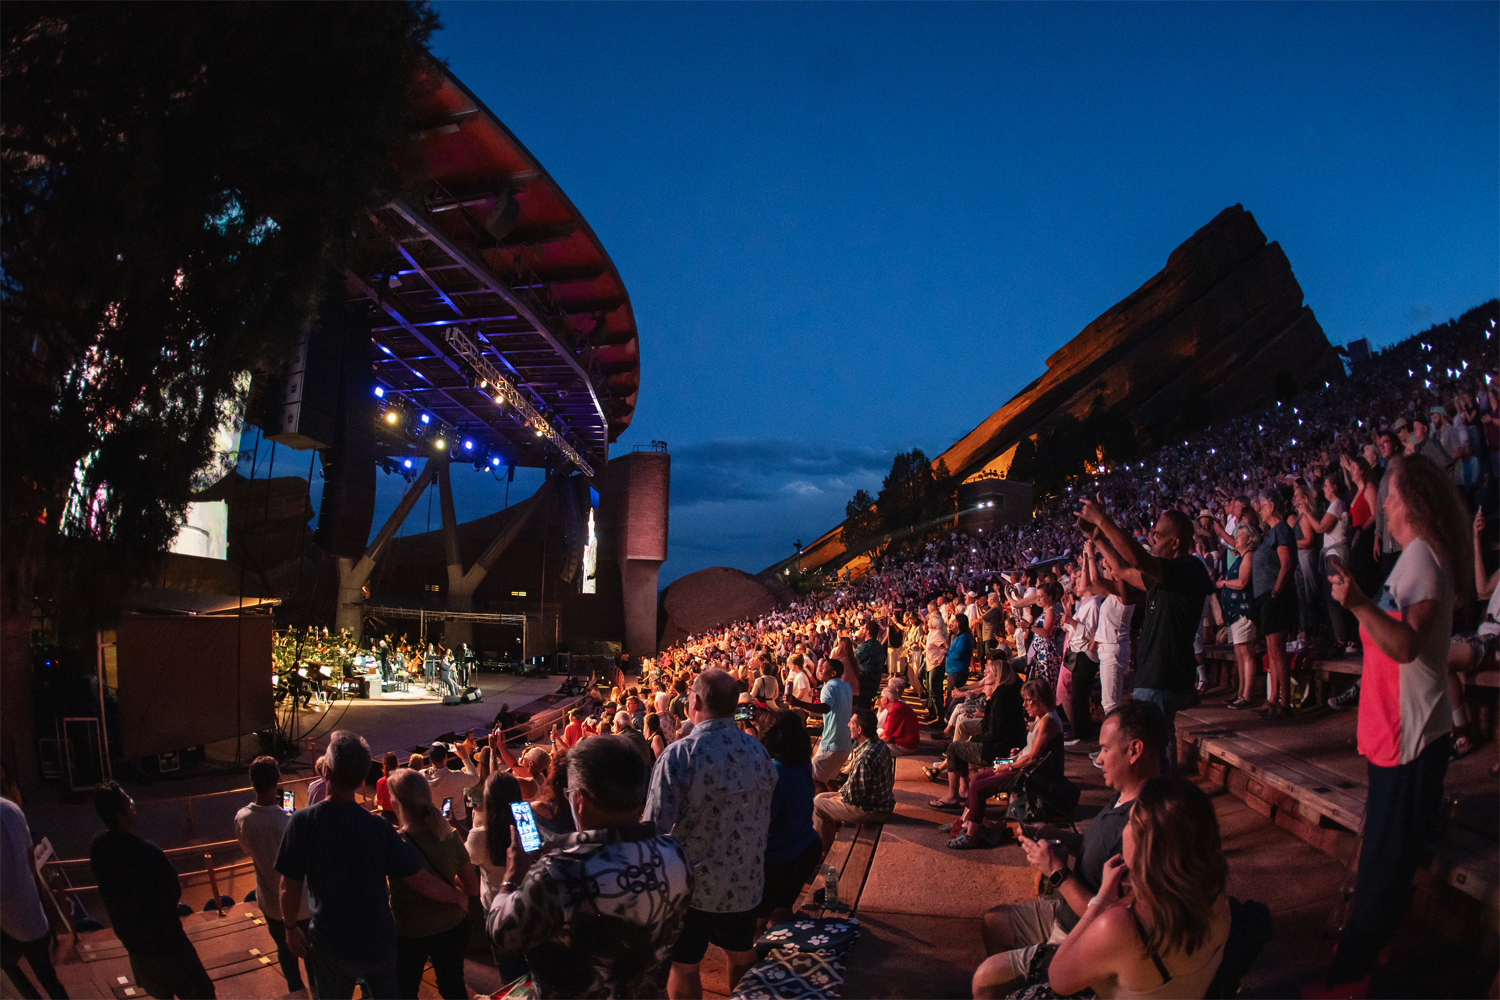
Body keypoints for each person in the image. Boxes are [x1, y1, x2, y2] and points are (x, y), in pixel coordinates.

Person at [1313, 454, 1469, 999]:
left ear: (1411, 502)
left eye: (1392, 494)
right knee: (1386, 853)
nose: (1384, 504)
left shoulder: (1423, 557)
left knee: (1382, 860)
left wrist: (1357, 604)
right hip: (1398, 729)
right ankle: (1370, 947)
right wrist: (1359, 603)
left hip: (1413, 733)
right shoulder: (1413, 558)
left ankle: (1350, 979)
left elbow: (1406, 645)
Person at [972, 701, 1166, 998]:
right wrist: (1058, 836)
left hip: (1084, 932)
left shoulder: (1143, 824)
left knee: (986, 981)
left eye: (1105, 749)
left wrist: (1057, 872)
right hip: (1066, 912)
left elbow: (1115, 920)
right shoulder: (1124, 795)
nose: (1098, 759)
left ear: (1134, 751)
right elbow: (1100, 849)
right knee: (993, 922)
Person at [487, 735, 694, 1000]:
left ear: (580, 799)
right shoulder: (675, 855)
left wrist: (512, 876)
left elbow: (503, 935)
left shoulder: (557, 874)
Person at [275, 731, 468, 1000]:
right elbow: (419, 879)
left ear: (326, 772)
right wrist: (458, 897)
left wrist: (289, 926)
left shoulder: (302, 823)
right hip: (378, 941)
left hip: (330, 942)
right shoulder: (377, 827)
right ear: (362, 776)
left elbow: (288, 887)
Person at [643, 669, 775, 1000]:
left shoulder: (679, 755)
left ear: (696, 701)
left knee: (684, 967)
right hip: (745, 883)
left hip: (690, 892)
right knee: (742, 958)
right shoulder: (758, 752)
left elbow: (654, 828)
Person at [1033, 777, 1230, 1000]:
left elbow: (1058, 979)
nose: (1124, 829)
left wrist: (1100, 900)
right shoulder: (1217, 897)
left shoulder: (1124, 925)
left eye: (1129, 822)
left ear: (1147, 846)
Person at [1080, 500, 1214, 766]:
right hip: (1154, 675)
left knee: (1154, 751)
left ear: (1176, 542)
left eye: (1158, 535)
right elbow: (1123, 571)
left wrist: (1103, 521)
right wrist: (1097, 539)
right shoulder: (1165, 575)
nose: (1152, 539)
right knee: (1158, 743)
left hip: (1163, 676)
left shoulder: (1189, 568)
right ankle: (1163, 797)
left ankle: (1161, 799)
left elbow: (1138, 559)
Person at [89, 782, 216, 1000]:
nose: (133, 807)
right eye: (129, 803)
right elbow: (173, 891)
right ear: (120, 815)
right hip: (168, 945)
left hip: (135, 945)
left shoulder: (98, 847)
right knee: (201, 993)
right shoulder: (147, 852)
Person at [387, 770, 479, 1000]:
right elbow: (474, 888)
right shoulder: (450, 837)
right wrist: (451, 886)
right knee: (453, 986)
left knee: (405, 989)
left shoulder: (396, 844)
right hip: (452, 928)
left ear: (397, 802)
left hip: (410, 932)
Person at [946, 680, 1070, 851]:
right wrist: (1008, 760)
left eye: (1028, 700)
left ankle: (971, 836)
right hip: (1021, 766)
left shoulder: (1048, 722)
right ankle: (964, 822)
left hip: (1029, 773)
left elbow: (1033, 757)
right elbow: (1028, 750)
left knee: (979, 788)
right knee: (977, 777)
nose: (1024, 704)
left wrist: (1009, 766)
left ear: (1039, 699)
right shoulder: (1042, 718)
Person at [234, 757, 311, 997]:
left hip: (270, 902)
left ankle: (295, 991)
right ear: (277, 780)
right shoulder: (290, 819)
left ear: (252, 782)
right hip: (301, 903)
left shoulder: (242, 818)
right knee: (311, 953)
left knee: (284, 951)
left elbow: (246, 849)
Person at [754, 712, 822, 931]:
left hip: (777, 859)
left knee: (753, 928)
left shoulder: (773, 773)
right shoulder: (803, 764)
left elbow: (764, 821)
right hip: (805, 848)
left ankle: (764, 960)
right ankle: (785, 952)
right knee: (781, 913)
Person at [0, 795, 70, 1000]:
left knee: (7, 964)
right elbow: (30, 860)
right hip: (33, 915)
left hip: (5, 923)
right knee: (48, 977)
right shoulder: (12, 809)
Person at [811, 709, 896, 856]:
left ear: (859, 729)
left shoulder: (865, 756)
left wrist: (838, 797)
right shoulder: (878, 745)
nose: (848, 725)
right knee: (821, 798)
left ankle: (824, 853)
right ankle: (827, 839)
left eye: (851, 723)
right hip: (881, 802)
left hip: (873, 810)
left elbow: (854, 797)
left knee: (818, 806)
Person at [1251, 489, 1298, 720]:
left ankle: (1284, 703)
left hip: (1276, 597)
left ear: (1271, 505)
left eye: (1261, 504)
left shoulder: (1281, 530)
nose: (1259, 509)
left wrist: (1275, 593)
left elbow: (1287, 563)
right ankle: (1273, 698)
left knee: (1278, 651)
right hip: (1268, 597)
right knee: (1272, 650)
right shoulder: (1271, 532)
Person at [785, 657, 854, 792]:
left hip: (831, 744)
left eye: (823, 667)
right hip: (845, 744)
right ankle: (834, 806)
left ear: (833, 673)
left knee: (815, 780)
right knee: (829, 779)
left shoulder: (829, 687)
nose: (820, 669)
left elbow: (825, 708)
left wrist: (797, 703)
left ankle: (821, 809)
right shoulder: (846, 686)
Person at [1220, 524, 1261, 709]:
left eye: (1240, 535)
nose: (1236, 538)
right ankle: (1240, 692)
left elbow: (1243, 582)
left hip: (1244, 610)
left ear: (1250, 538)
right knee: (1239, 653)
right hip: (1235, 612)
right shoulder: (1241, 557)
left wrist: (1223, 583)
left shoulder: (1250, 556)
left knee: (1246, 652)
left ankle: (1246, 695)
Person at [421, 740, 476, 829]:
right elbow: (475, 778)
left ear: (430, 759)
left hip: (434, 821)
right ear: (445, 757)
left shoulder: (422, 776)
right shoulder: (456, 777)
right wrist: (465, 757)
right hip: (458, 822)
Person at [854, 621, 887, 710]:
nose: (862, 630)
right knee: (868, 706)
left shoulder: (864, 647)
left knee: (861, 708)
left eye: (864, 629)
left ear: (868, 631)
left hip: (863, 683)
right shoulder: (879, 646)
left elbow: (853, 660)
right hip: (875, 682)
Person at [877, 686, 920, 754]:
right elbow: (886, 732)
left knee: (872, 750)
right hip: (907, 744)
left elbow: (886, 738)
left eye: (881, 697)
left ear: (885, 700)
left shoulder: (895, 710)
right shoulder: (897, 706)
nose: (879, 699)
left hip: (905, 747)